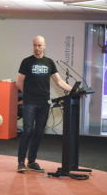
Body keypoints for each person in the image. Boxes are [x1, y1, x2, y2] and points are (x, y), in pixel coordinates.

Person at [16, 35, 72, 173]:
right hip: (30, 103)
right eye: (35, 45)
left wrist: (74, 90)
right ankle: (21, 162)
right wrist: (27, 94)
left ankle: (32, 161)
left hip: (44, 104)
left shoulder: (49, 63)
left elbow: (59, 82)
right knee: (28, 131)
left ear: (44, 46)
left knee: (39, 132)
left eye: (39, 45)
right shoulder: (26, 62)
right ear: (33, 45)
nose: (37, 48)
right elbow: (19, 82)